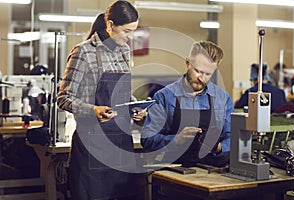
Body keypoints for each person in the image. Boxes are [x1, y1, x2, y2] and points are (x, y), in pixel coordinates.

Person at [57, 1, 146, 199]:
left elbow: (122, 95)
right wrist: (93, 110)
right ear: (110, 25)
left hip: (122, 144)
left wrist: (135, 108)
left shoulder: (124, 52)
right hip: (92, 148)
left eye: (133, 32)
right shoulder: (83, 52)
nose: (130, 38)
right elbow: (63, 98)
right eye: (126, 31)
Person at [141, 41, 234, 168]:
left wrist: (218, 147)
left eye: (208, 74)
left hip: (213, 171)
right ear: (187, 63)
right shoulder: (165, 96)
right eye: (198, 71)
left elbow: (232, 137)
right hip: (175, 171)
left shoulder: (222, 98)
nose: (202, 78)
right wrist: (176, 140)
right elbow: (147, 139)